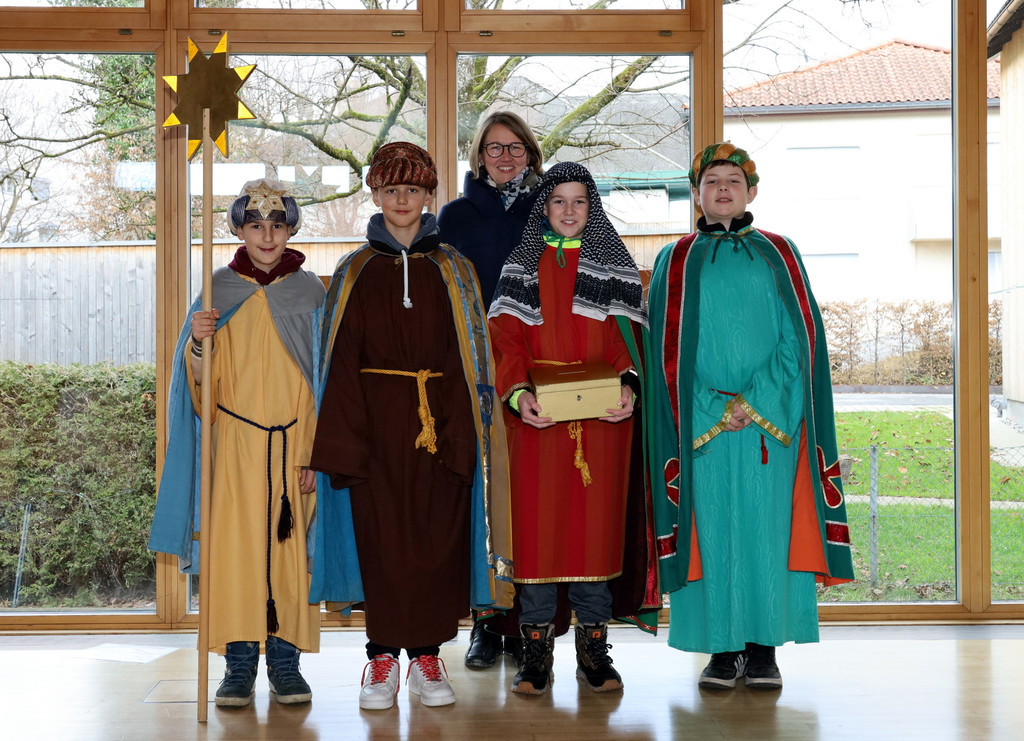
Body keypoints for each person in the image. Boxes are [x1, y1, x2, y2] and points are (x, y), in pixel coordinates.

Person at [308, 142, 513, 711]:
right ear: (376, 194)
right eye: (392, 189)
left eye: (414, 190)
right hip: (372, 430)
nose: (403, 200)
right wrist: (348, 441)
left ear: (429, 196)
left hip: (440, 426)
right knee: (380, 543)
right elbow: (338, 360)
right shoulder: (354, 270)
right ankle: (380, 659)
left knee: (435, 542)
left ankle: (426, 656)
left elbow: (470, 359)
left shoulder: (455, 269)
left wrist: (462, 432)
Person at [643, 142, 855, 691]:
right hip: (702, 427)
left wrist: (752, 402)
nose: (722, 190)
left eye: (733, 182)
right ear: (696, 194)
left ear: (751, 192)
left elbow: (801, 338)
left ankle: (763, 650)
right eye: (711, 182)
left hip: (769, 425)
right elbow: (663, 348)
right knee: (710, 532)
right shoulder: (674, 258)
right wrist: (712, 408)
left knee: (768, 533)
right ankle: (721, 650)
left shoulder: (780, 252)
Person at [148, 179, 324, 707]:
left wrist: (318, 453)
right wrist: (200, 344)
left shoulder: (311, 294)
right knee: (236, 556)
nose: (267, 236)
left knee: (290, 557)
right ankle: (239, 664)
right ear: (240, 231)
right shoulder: (217, 291)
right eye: (255, 225)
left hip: (294, 446)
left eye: (277, 225)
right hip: (235, 450)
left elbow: (325, 379)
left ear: (290, 229)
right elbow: (200, 388)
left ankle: (286, 663)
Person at [488, 161, 660, 695]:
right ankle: (536, 656)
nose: (568, 210)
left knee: (594, 538)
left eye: (579, 201)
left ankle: (594, 653)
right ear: (544, 207)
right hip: (536, 422)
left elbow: (627, 342)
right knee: (538, 538)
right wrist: (518, 394)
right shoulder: (521, 266)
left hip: (603, 424)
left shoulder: (613, 266)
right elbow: (506, 341)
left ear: (593, 207)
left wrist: (629, 387)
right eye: (558, 200)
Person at [437, 110, 545, 668]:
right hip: (475, 367)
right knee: (484, 493)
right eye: (494, 148)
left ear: (530, 153)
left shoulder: (550, 210)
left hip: (536, 365)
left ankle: (530, 622)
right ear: (479, 155)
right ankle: (486, 621)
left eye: (515, 147)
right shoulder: (454, 216)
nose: (505, 157)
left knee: (529, 495)